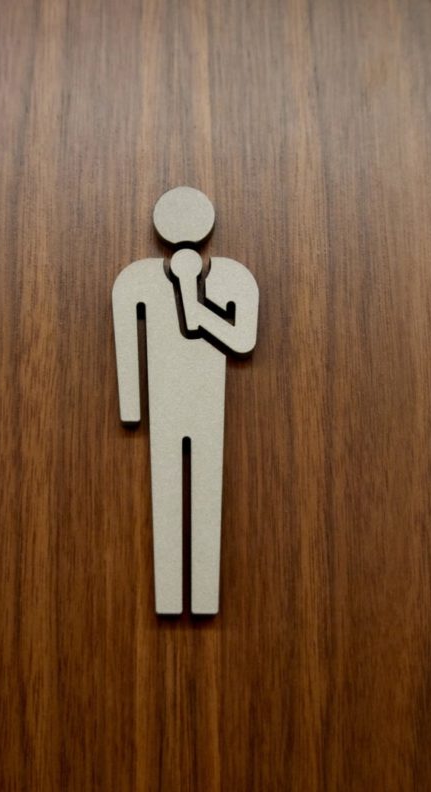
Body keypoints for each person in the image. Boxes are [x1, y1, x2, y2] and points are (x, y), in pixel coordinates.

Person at [112, 186, 259, 614]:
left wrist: (195, 308)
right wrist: (132, 409)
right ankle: (171, 598)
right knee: (167, 493)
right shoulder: (136, 279)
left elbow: (242, 339)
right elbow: (127, 340)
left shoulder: (233, 277)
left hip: (206, 396)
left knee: (206, 492)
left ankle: (204, 597)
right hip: (164, 399)